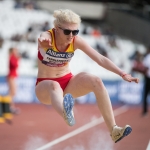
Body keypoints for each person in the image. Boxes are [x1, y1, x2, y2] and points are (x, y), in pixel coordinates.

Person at [35, 9, 139, 143]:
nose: (71, 35)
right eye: (67, 31)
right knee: (54, 85)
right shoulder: (48, 37)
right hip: (45, 87)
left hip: (67, 83)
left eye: (75, 31)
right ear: (56, 29)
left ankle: (114, 130)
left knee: (95, 81)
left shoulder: (75, 41)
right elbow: (44, 36)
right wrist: (43, 41)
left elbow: (100, 59)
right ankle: (66, 113)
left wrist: (122, 73)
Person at [7, 47, 20, 114]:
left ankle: (11, 107)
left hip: (13, 76)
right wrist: (17, 58)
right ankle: (10, 107)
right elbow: (14, 65)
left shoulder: (13, 57)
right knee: (12, 92)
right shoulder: (11, 57)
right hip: (11, 76)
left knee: (13, 92)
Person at [142, 46, 150, 116]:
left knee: (145, 95)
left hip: (148, 78)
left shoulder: (148, 57)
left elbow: (146, 68)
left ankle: (145, 111)